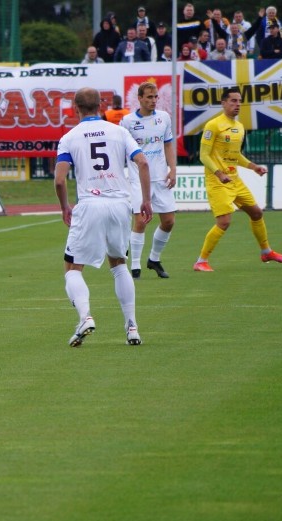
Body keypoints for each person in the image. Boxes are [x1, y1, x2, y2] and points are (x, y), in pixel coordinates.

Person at [54, 87, 152, 347]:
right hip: (120, 205)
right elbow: (142, 162)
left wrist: (65, 206)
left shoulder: (69, 137)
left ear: (76, 107)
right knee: (119, 264)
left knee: (72, 267)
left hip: (90, 204)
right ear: (101, 106)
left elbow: (60, 180)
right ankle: (132, 327)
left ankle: (85, 317)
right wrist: (146, 200)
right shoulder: (120, 131)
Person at [193, 87, 282, 272]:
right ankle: (201, 261)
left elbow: (236, 155)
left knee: (256, 213)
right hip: (217, 181)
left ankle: (266, 251)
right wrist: (219, 173)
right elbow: (203, 155)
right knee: (224, 222)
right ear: (223, 103)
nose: (237, 105)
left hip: (234, 180)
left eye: (239, 101)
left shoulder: (239, 127)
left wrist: (254, 167)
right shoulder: (213, 125)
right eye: (233, 101)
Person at [120, 82, 177, 280]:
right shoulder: (127, 122)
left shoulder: (164, 118)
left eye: (155, 97)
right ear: (140, 98)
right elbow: (121, 151)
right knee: (141, 220)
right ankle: (135, 267)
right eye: (149, 97)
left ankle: (154, 259)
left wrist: (173, 170)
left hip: (161, 178)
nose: (153, 101)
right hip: (137, 179)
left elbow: (168, 145)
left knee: (169, 221)